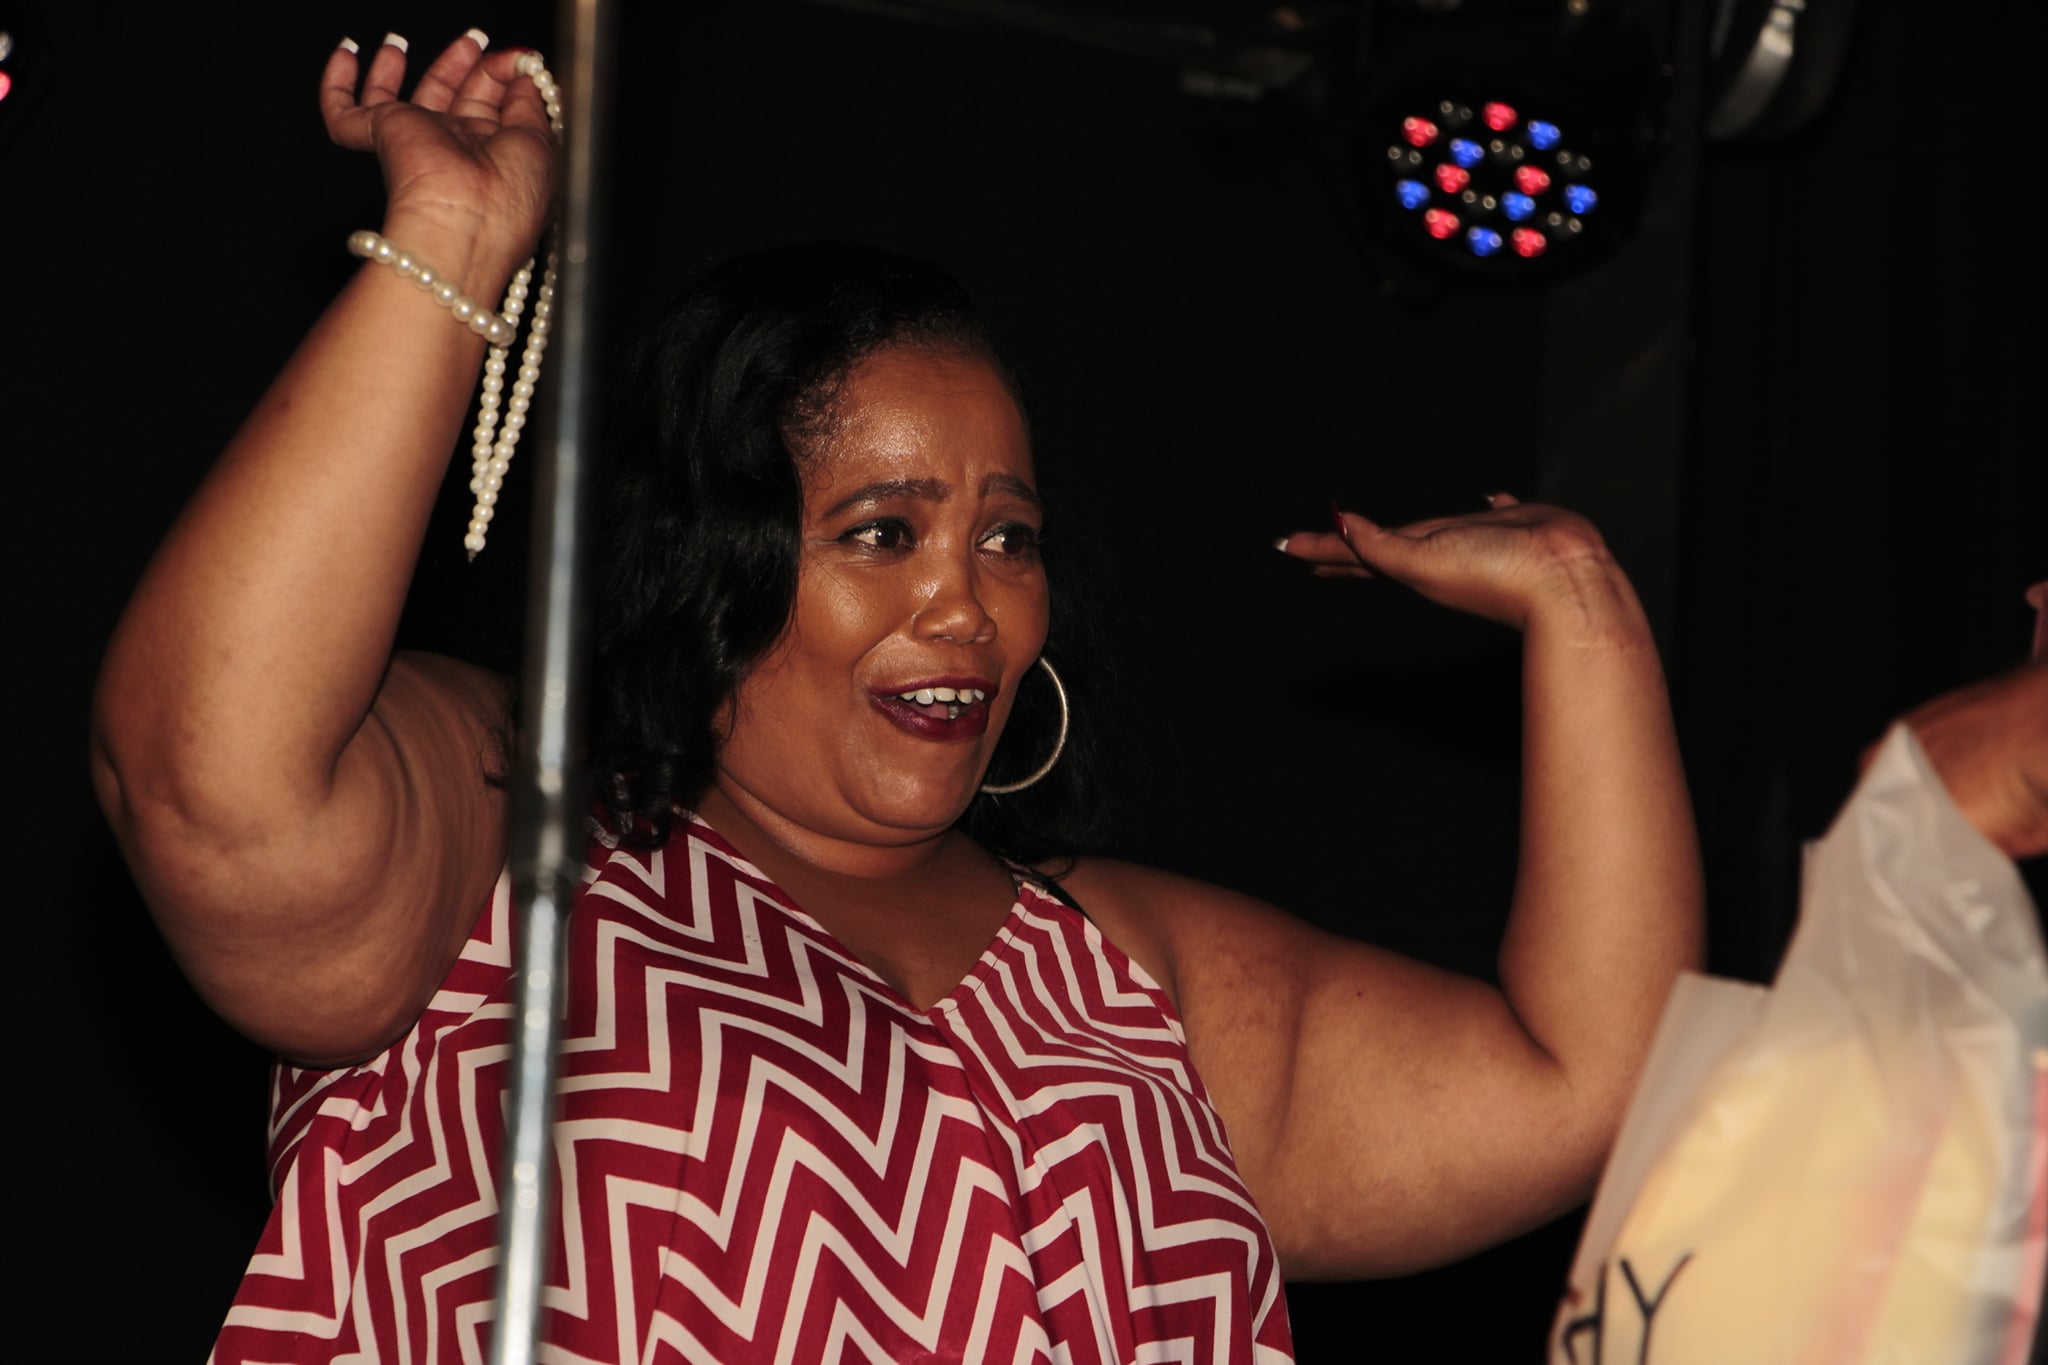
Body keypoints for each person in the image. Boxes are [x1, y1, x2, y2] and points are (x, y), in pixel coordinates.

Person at [87, 30, 1704, 1363]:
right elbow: (206, 780)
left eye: (1008, 536)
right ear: (713, 561)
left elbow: (1588, 1078)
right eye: (883, 532)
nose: (968, 603)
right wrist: (450, 244)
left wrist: (1584, 609)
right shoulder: (515, 837)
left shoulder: (1118, 982)